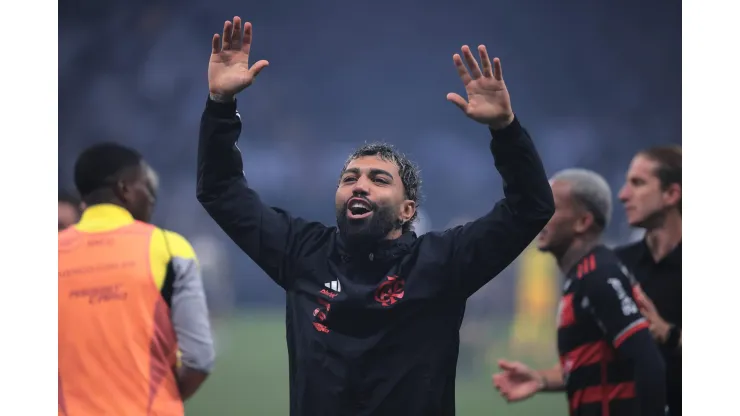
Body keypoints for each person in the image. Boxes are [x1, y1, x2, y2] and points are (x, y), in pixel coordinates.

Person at [197, 16, 554, 416]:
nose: (359, 185)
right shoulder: (302, 253)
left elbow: (530, 208)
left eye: (378, 179)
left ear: (408, 210)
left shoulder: (441, 263)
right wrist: (221, 107)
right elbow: (222, 192)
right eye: (349, 178)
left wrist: (505, 130)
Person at [492, 169, 666, 416]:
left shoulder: (599, 276)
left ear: (582, 222)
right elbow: (604, 365)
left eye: (551, 207)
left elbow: (648, 361)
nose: (540, 215)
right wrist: (542, 379)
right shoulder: (582, 277)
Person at [58, 143, 215, 415]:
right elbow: (199, 359)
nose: (152, 199)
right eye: (147, 188)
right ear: (125, 189)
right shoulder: (170, 249)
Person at [615, 146, 681, 416]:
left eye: (638, 183)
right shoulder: (618, 265)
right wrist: (541, 380)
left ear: (671, 194)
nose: (623, 195)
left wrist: (668, 333)